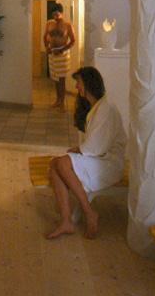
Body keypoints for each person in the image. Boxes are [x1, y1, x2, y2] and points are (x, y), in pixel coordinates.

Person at [46, 66, 126, 240]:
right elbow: (94, 145)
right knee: (54, 165)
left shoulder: (106, 108)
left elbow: (97, 147)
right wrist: (79, 150)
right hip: (99, 158)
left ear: (89, 83)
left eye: (78, 82)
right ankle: (66, 222)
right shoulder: (96, 107)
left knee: (61, 163)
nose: (76, 87)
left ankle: (89, 213)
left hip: (109, 163)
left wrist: (78, 150)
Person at [43, 3, 76, 109]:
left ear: (61, 13)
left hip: (62, 55)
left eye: (57, 14)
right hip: (52, 54)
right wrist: (47, 47)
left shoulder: (67, 25)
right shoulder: (49, 23)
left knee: (61, 79)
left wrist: (61, 50)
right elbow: (45, 36)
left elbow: (73, 40)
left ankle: (62, 102)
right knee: (55, 78)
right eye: (53, 14)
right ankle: (58, 100)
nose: (55, 17)